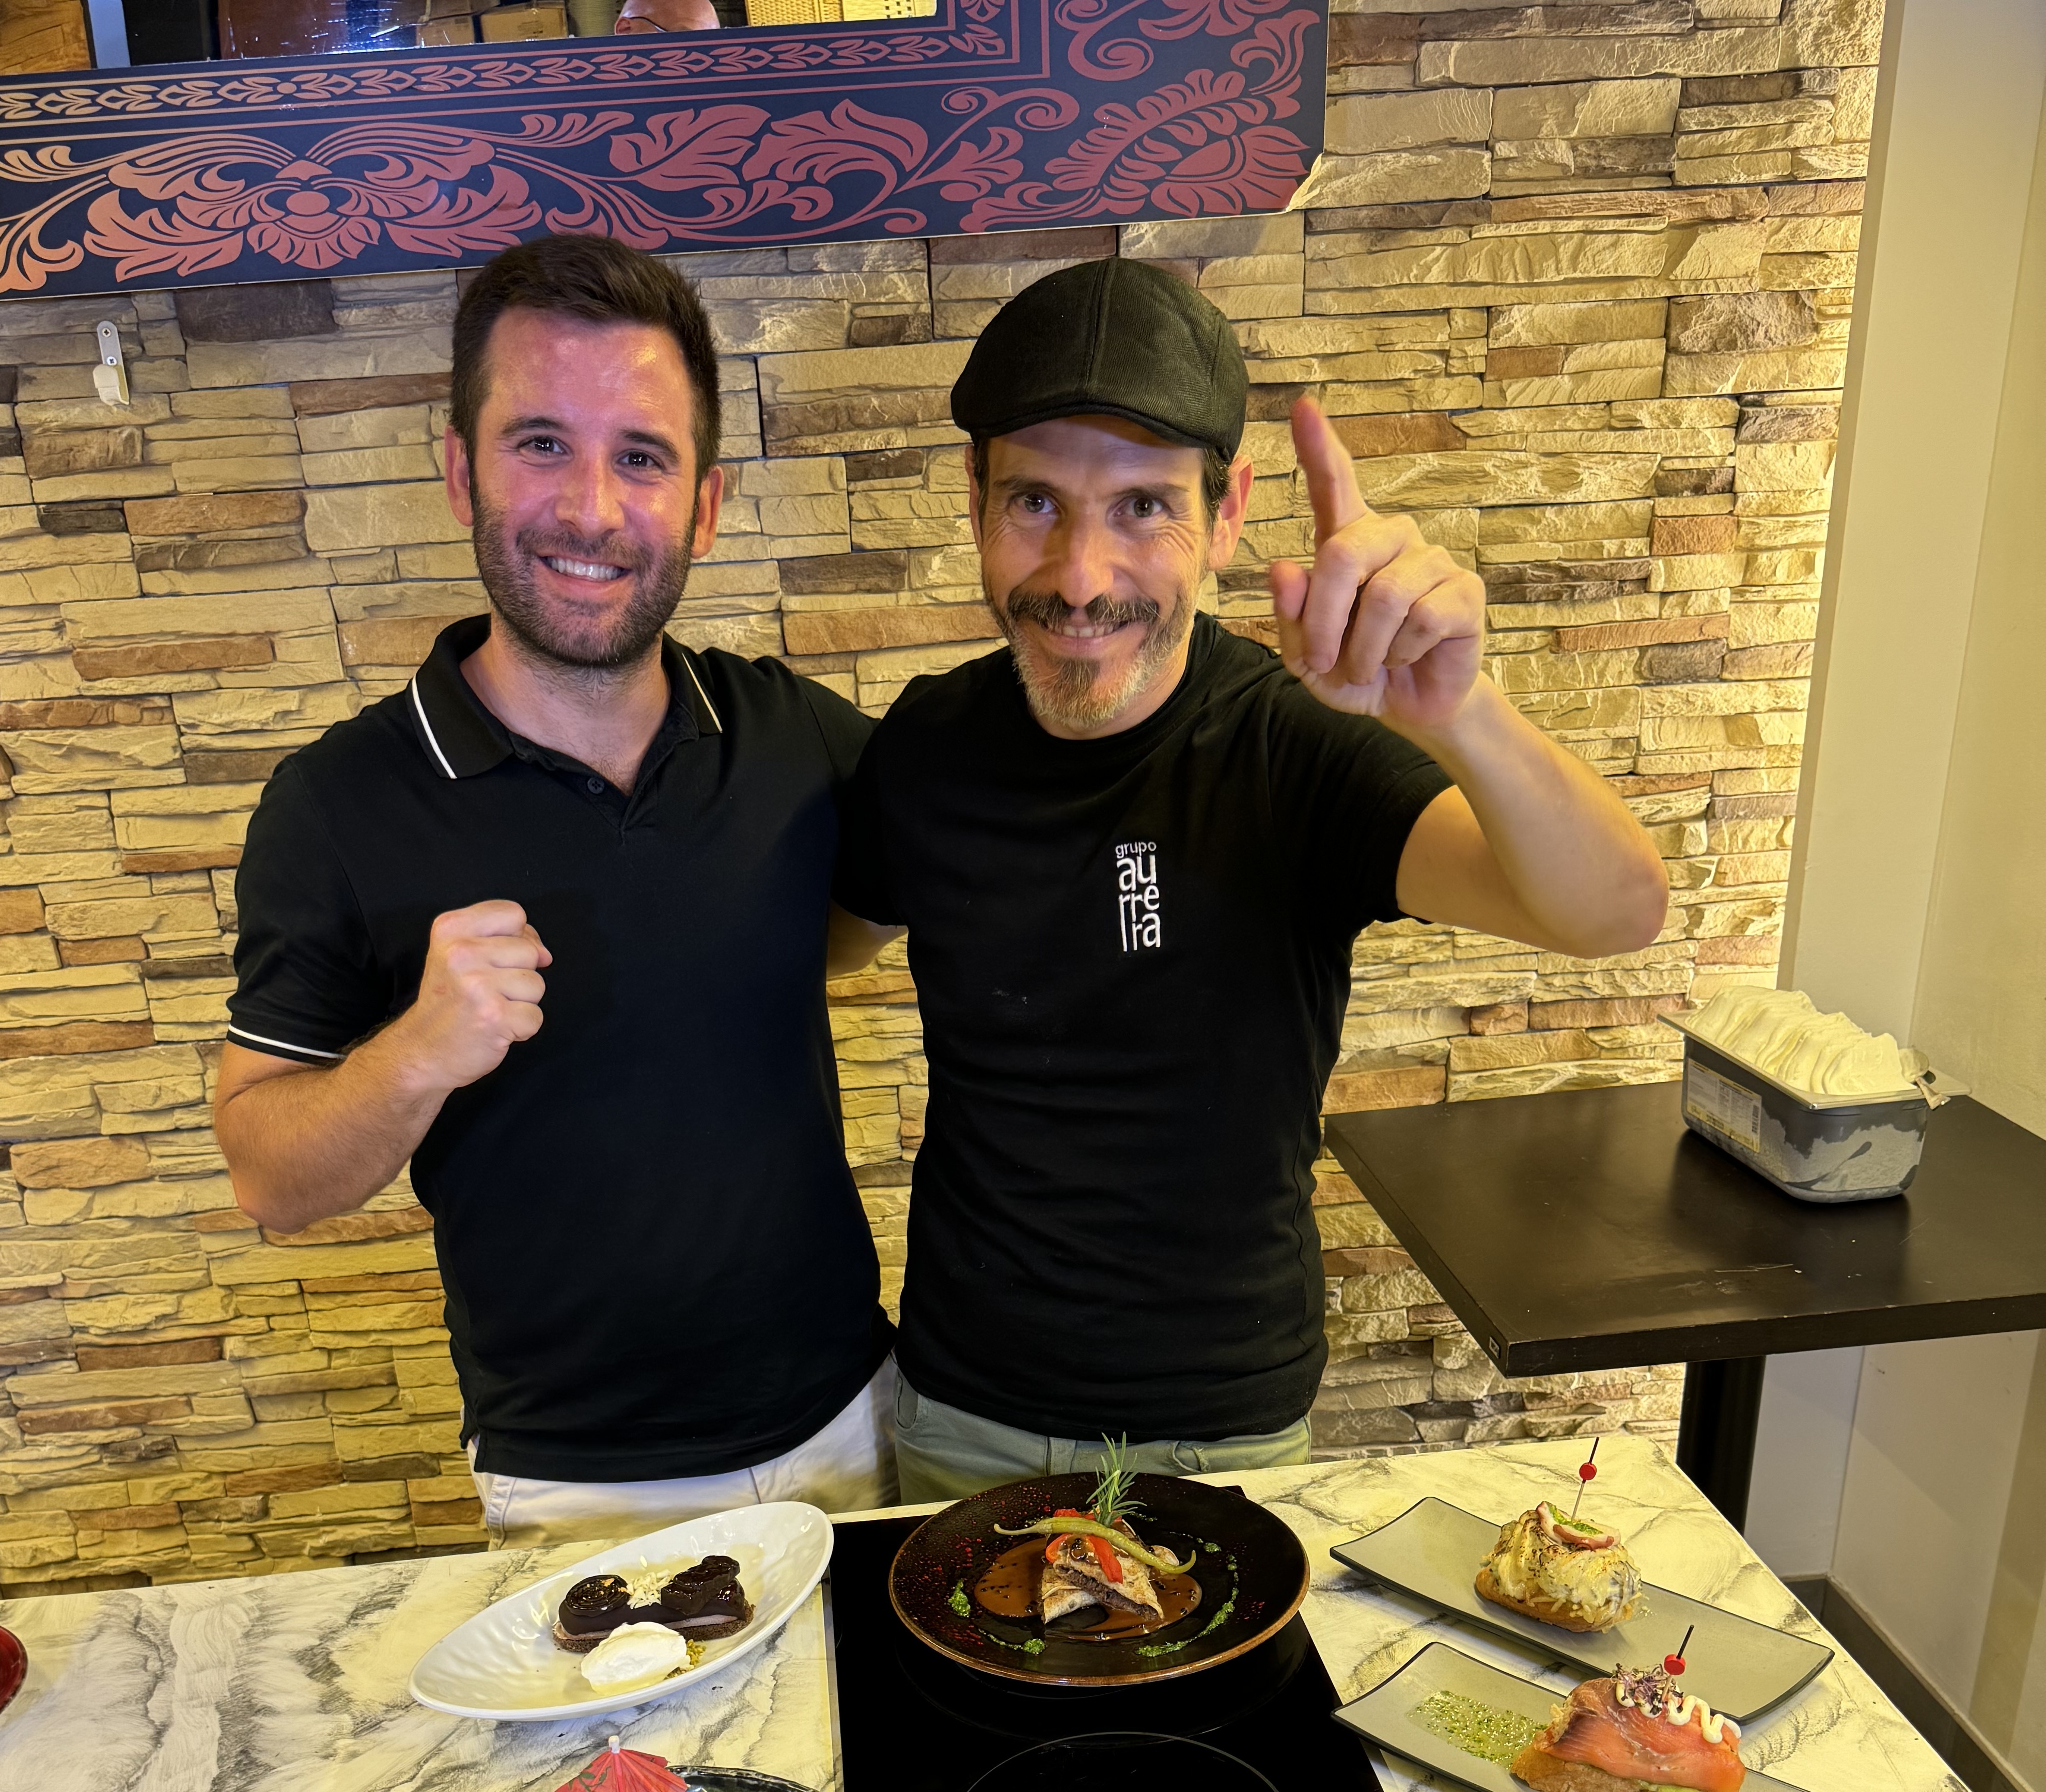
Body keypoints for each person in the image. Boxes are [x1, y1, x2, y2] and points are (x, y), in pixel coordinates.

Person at [831, 258, 1669, 1503]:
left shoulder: (1297, 745)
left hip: (1219, 1434)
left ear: (1228, 517)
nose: (1079, 575)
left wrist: (1465, 716)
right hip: (963, 1416)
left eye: (1142, 508)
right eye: (1036, 502)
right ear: (975, 500)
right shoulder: (927, 746)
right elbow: (819, 945)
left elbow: (1615, 912)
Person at [214, 237, 898, 1537]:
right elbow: (269, 1180)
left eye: (641, 456)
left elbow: (857, 918)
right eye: (540, 443)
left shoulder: (796, 738)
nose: (591, 507)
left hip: (856, 1428)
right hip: (576, 1491)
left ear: (704, 503)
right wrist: (418, 1052)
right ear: (459, 466)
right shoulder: (337, 804)